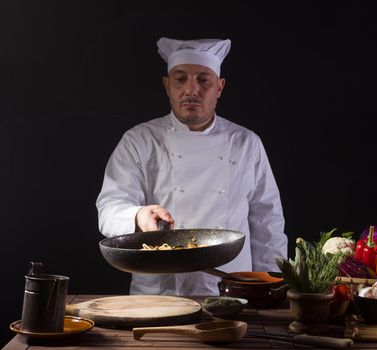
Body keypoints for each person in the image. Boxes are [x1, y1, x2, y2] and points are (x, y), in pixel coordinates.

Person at [96, 37, 288, 295]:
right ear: (167, 86)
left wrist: (273, 289)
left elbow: (268, 224)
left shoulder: (246, 143)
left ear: (219, 87)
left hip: (231, 291)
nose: (191, 89)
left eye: (203, 80)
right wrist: (138, 215)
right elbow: (109, 208)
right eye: (180, 79)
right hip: (159, 293)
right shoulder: (139, 140)